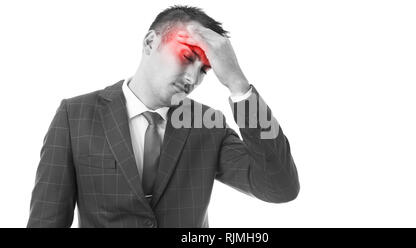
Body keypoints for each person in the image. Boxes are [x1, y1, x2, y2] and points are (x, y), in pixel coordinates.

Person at [27, 5, 299, 228]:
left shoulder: (208, 125)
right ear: (150, 42)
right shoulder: (75, 116)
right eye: (187, 56)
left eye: (205, 70)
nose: (193, 78)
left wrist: (238, 85)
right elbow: (46, 222)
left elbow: (280, 187)